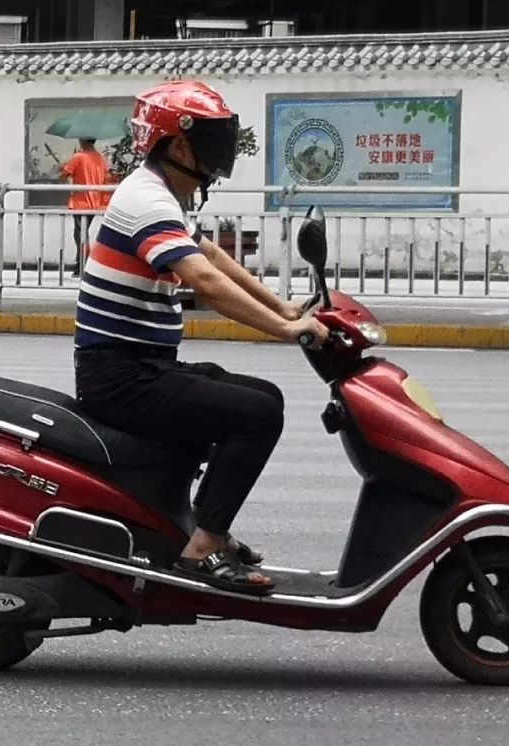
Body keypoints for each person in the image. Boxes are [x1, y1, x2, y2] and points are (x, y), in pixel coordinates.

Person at [73, 80, 329, 596]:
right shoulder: (147, 199)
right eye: (212, 139)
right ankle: (204, 545)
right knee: (255, 416)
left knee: (262, 397)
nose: (222, 150)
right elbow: (203, 280)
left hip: (140, 367)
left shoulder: (160, 193)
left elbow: (209, 256)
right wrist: (284, 329)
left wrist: (282, 305)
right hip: (122, 377)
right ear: (180, 144)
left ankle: (199, 527)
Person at [60, 138, 110, 277]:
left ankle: (83, 264)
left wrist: (65, 164)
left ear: (83, 141)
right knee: (83, 233)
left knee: (80, 235)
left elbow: (63, 176)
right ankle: (82, 263)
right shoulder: (100, 158)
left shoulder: (78, 157)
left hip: (80, 202)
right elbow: (104, 177)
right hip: (94, 202)